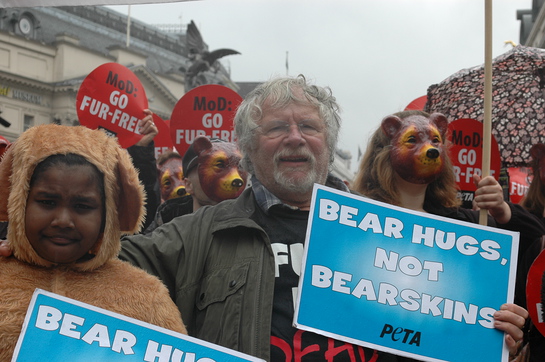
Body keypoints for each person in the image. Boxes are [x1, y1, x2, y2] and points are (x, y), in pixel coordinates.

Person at [119, 76, 529, 361]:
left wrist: (486, 339)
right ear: (247, 147)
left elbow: (426, 340)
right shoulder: (200, 233)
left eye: (309, 127)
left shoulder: (398, 234)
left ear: (328, 145)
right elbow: (93, 262)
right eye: (277, 127)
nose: (295, 137)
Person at [352, 110, 544, 361]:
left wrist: (503, 210)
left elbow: (536, 238)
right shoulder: (354, 221)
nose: (429, 148)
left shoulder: (464, 225)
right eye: (412, 140)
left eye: (435, 140)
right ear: (387, 144)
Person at [0, 124, 186, 360]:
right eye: (47, 202)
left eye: (82, 206)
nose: (63, 220)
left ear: (108, 215)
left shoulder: (148, 298)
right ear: (19, 202)